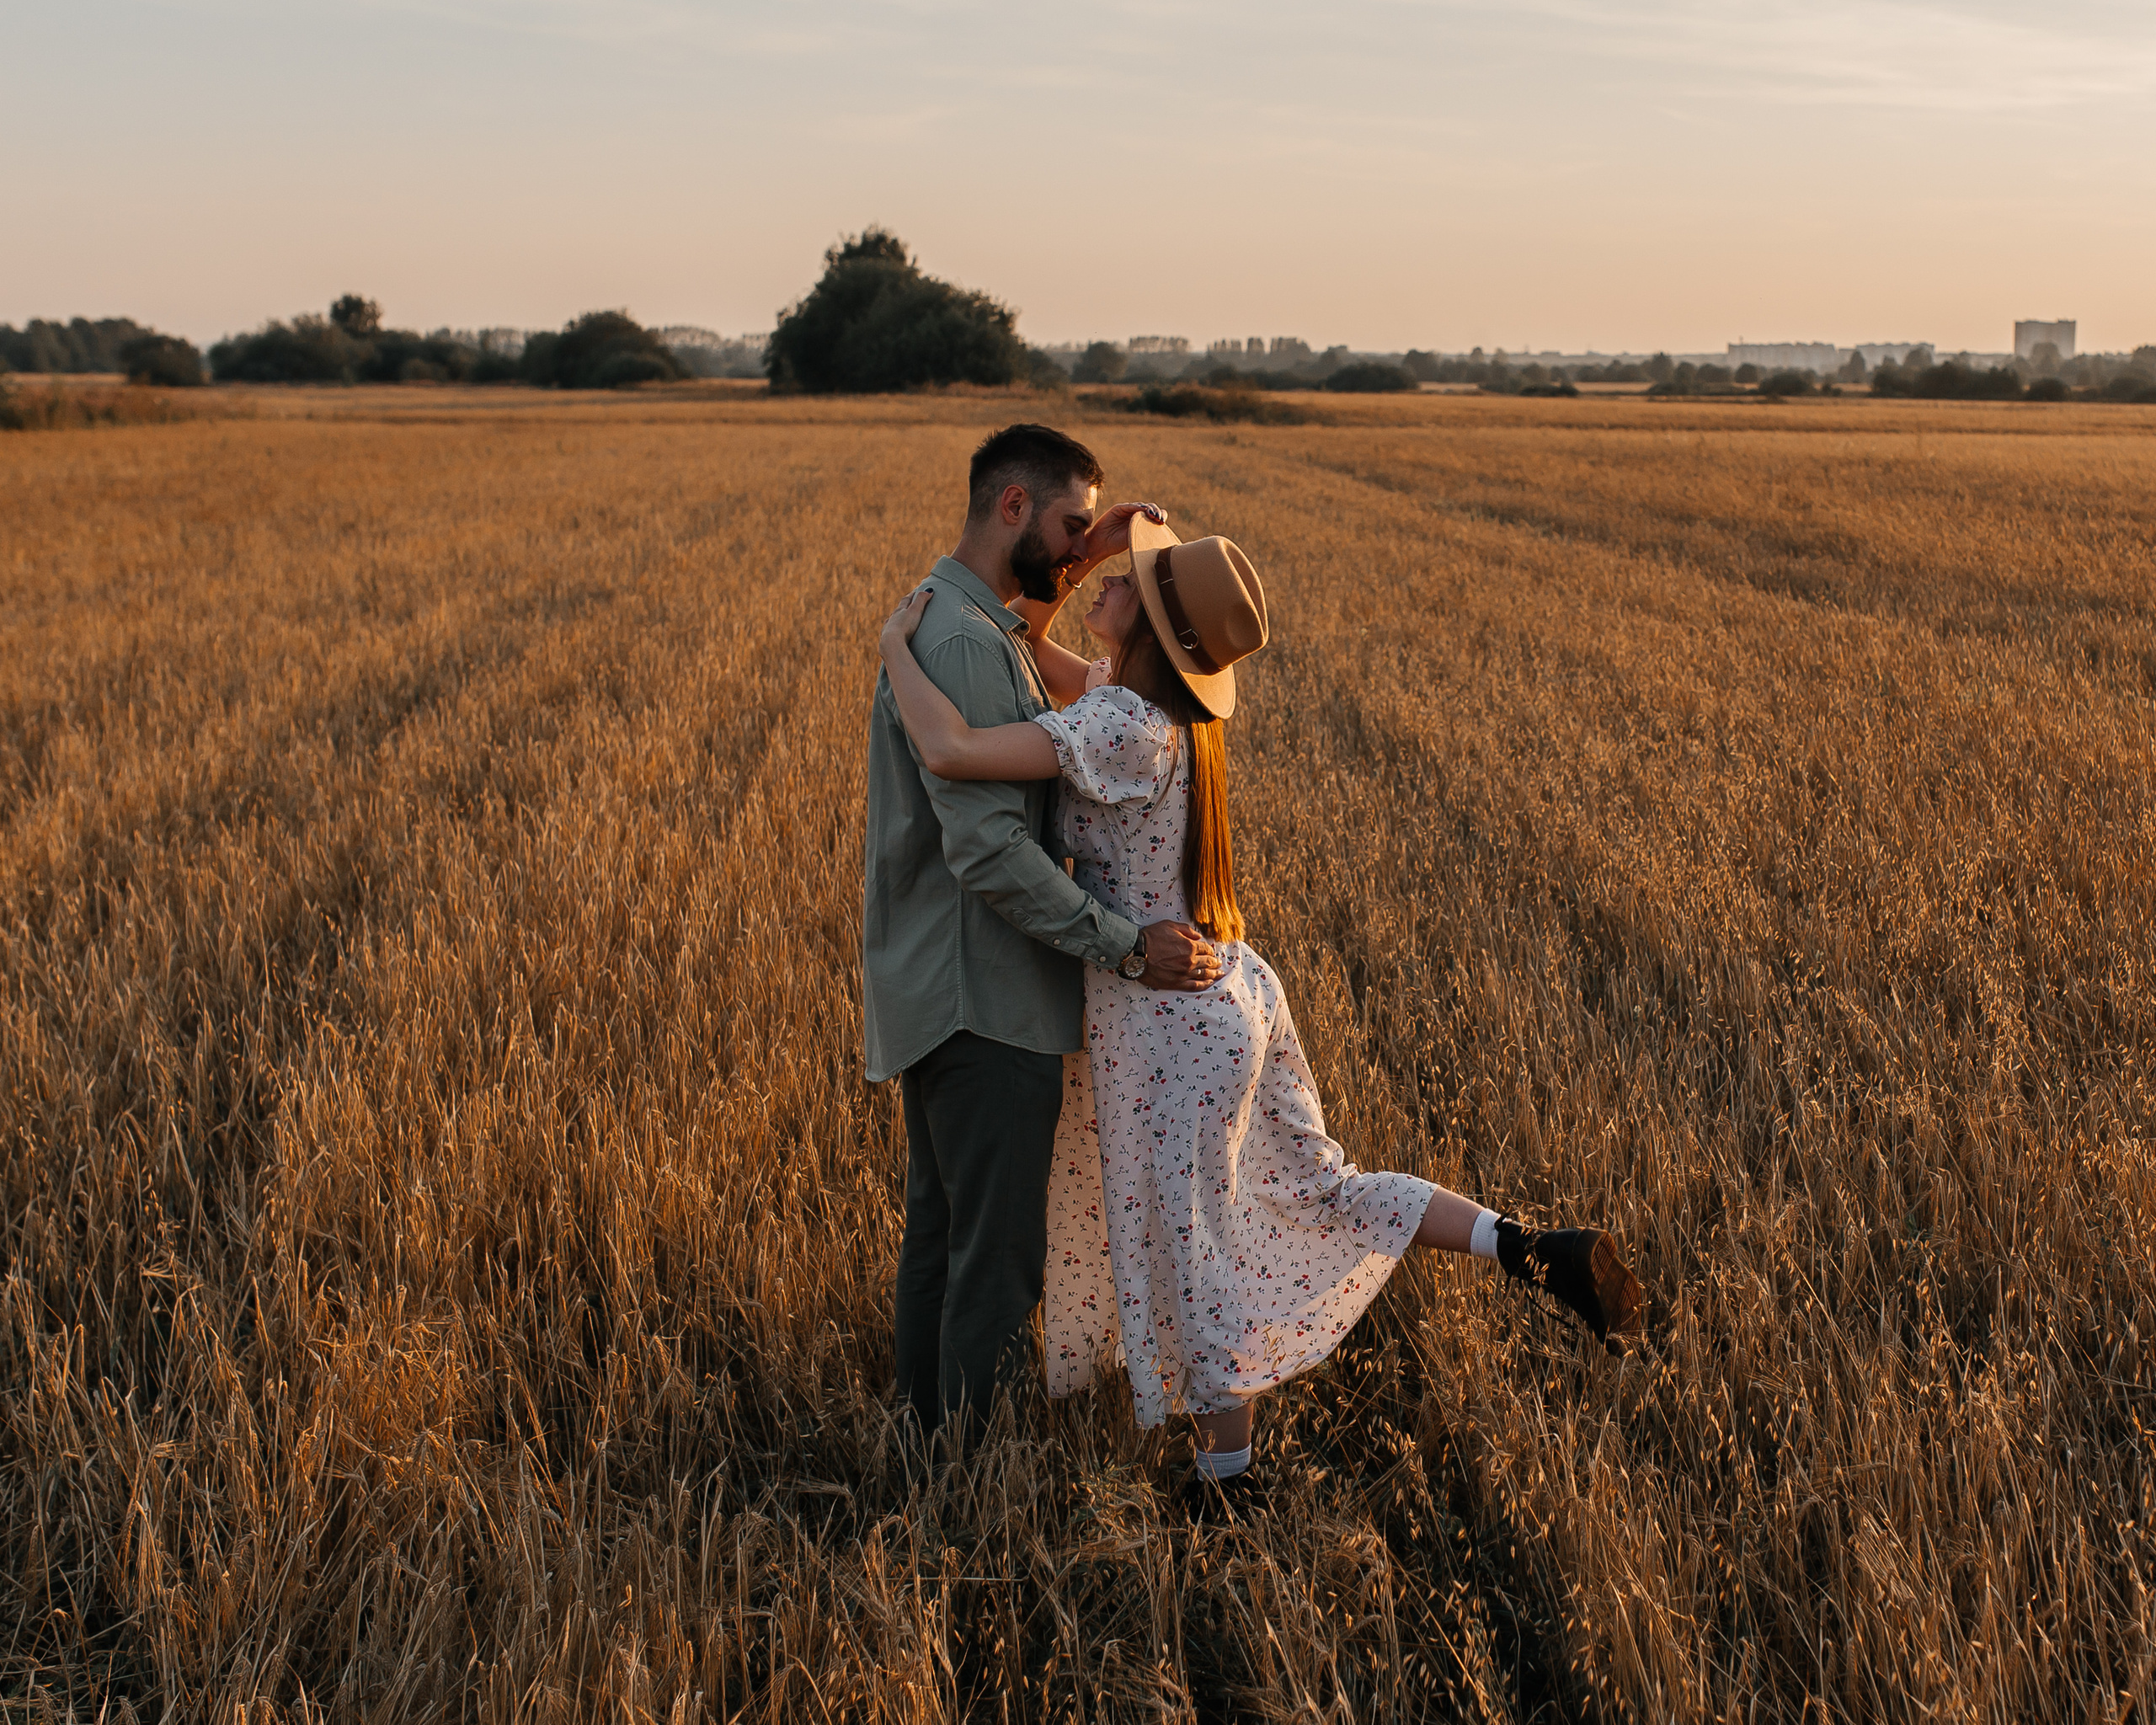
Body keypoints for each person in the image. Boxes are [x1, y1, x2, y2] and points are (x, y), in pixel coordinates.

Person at [876, 512, 1644, 1506]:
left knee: (1187, 1241)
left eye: (1128, 583)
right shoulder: (1150, 711)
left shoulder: (1117, 725)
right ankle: (1528, 1245)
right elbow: (1041, 650)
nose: (1107, 585)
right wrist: (1090, 556)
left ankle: (1227, 1481)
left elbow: (950, 748)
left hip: (1161, 1016)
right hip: (1237, 988)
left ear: (1149, 628)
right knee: (1320, 1184)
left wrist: (896, 644)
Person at [862, 424, 1224, 1453]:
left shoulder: (957, 622)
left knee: (941, 1236)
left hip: (939, 982)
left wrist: (1091, 553)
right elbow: (989, 855)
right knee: (998, 1257)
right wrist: (1119, 944)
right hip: (988, 993)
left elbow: (1030, 652)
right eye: (1068, 523)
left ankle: (926, 1450)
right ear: (1011, 506)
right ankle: (962, 1473)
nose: (1077, 547)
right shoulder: (971, 643)